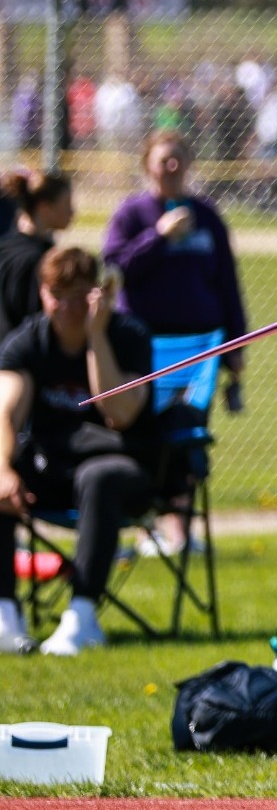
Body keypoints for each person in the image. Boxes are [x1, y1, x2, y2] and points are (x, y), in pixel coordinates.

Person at [0, 247, 158, 656]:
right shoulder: (28, 342)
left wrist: (96, 335)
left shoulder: (129, 337)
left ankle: (82, 616)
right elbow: (6, 412)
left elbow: (119, 413)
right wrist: (3, 470)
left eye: (78, 295)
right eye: (57, 294)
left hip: (124, 470)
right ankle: (5, 614)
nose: (66, 306)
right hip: (53, 470)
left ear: (97, 294)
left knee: (98, 476)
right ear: (42, 292)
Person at [102, 132, 249, 415]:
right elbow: (116, 270)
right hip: (145, 344)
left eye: (178, 160)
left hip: (200, 346)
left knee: (189, 428)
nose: (172, 168)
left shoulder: (207, 216)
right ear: (147, 166)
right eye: (164, 161)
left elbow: (227, 282)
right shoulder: (131, 214)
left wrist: (236, 343)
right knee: (144, 425)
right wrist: (158, 237)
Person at [0, 169, 73, 344]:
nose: (72, 212)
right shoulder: (37, 259)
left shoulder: (5, 248)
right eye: (67, 204)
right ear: (44, 208)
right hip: (16, 358)